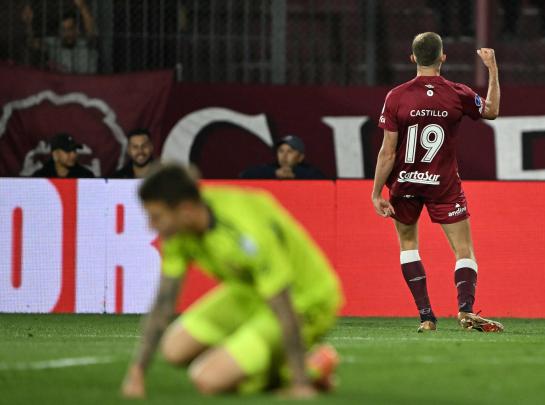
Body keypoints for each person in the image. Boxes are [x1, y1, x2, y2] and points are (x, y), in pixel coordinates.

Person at [121, 165, 343, 398]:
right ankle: (259, 361)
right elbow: (164, 304)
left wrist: (300, 384)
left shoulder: (245, 231)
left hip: (304, 300)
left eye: (156, 217)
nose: (151, 226)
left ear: (185, 210)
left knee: (206, 380)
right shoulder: (179, 232)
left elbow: (284, 306)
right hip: (250, 293)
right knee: (173, 350)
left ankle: (308, 368)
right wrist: (137, 371)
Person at [371, 32, 504, 333]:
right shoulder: (457, 93)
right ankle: (466, 309)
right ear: (443, 57)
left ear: (413, 58)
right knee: (464, 250)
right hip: (442, 183)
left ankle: (426, 317)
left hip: (405, 182)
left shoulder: (396, 96)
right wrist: (493, 70)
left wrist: (377, 191)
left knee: (408, 245)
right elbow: (492, 111)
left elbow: (388, 150)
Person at [22, 0, 98, 73]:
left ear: (77, 30)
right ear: (59, 32)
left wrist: (82, 7)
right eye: (63, 30)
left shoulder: (85, 44)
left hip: (86, 84)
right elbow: (32, 43)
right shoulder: (54, 44)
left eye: (70, 29)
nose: (67, 33)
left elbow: (91, 31)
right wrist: (28, 24)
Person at [240, 135, 325, 180]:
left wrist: (294, 175)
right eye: (281, 151)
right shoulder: (270, 169)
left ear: (300, 157)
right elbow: (245, 175)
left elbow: (322, 180)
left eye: (290, 151)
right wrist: (275, 173)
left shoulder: (309, 172)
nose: (284, 155)